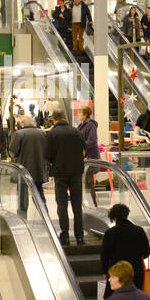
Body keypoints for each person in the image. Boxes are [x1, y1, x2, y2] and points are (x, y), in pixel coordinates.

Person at [46, 102, 87, 246]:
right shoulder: (76, 131)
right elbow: (84, 150)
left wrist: (56, 161)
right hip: (76, 172)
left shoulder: (52, 133)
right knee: (77, 205)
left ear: (55, 120)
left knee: (62, 204)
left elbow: (47, 154)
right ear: (65, 118)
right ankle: (80, 236)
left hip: (60, 173)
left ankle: (65, 236)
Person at [99, 203, 150, 300]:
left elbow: (104, 255)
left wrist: (105, 272)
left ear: (113, 217)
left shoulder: (110, 233)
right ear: (126, 215)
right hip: (135, 272)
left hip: (116, 272)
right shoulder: (139, 230)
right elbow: (146, 252)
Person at [8, 115, 48, 217]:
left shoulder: (19, 134)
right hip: (39, 168)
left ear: (23, 124)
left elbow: (12, 151)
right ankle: (44, 215)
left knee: (22, 195)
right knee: (39, 193)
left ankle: (23, 217)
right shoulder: (42, 133)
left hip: (23, 169)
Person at [77, 106, 101, 206]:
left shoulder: (90, 125)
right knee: (85, 183)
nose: (78, 115)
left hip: (90, 158)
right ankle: (88, 204)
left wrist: (82, 147)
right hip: (83, 158)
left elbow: (92, 141)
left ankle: (93, 205)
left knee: (89, 183)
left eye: (80, 113)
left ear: (85, 114)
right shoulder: (80, 126)